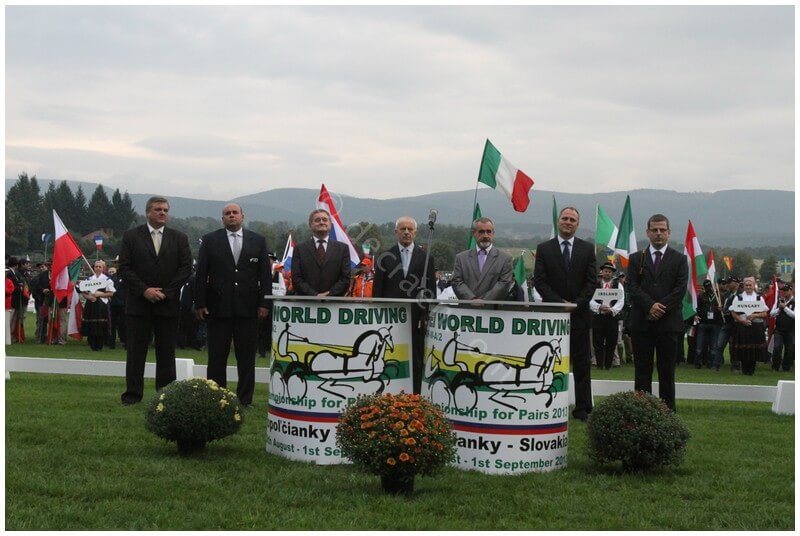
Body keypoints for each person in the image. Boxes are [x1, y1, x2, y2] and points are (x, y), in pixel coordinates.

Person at [195, 202, 271, 407]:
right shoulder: (210, 240)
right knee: (216, 357)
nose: (231, 215)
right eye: (227, 213)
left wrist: (265, 303)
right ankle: (216, 397)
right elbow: (201, 273)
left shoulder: (258, 240)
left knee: (246, 358)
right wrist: (200, 303)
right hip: (218, 308)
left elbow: (265, 275)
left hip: (248, 309)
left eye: (235, 212)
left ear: (242, 216)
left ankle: (245, 399)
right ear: (222, 219)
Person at [119, 196, 192, 406]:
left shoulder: (179, 238)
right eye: (158, 209)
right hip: (139, 304)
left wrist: (167, 292)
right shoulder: (131, 236)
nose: (162, 213)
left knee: (166, 353)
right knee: (136, 353)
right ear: (147, 212)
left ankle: (166, 396)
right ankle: (132, 396)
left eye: (165, 210)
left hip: (167, 305)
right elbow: (125, 268)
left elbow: (185, 268)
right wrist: (144, 290)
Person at [534, 207, 596, 421]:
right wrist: (559, 304)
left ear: (577, 224)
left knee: (582, 365)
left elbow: (591, 282)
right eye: (565, 218)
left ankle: (582, 408)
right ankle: (548, 405)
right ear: (558, 221)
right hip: (553, 317)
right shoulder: (544, 248)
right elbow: (540, 281)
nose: (568, 222)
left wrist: (576, 304)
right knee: (548, 363)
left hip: (579, 316)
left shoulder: (587, 249)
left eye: (572, 219)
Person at [626, 214, 688, 411]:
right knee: (642, 372)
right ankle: (642, 412)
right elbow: (632, 286)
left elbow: (680, 289)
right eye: (655, 230)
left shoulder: (679, 259)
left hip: (668, 324)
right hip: (642, 323)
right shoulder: (636, 259)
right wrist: (649, 306)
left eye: (662, 230)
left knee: (667, 372)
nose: (658, 233)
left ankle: (667, 413)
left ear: (669, 233)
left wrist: (660, 308)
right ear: (648, 233)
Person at [373, 216, 436, 393]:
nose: (406, 232)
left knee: (416, 356)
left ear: (415, 232)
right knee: (391, 355)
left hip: (417, 318)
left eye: (410, 229)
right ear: (396, 232)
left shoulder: (426, 258)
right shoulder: (385, 257)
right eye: (403, 229)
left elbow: (431, 290)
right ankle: (390, 390)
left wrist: (426, 314)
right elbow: (378, 290)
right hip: (391, 317)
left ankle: (415, 393)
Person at [291, 209, 351, 296]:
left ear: (330, 224)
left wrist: (329, 294)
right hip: (307, 301)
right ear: (310, 225)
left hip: (333, 301)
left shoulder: (342, 249)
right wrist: (314, 295)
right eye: (317, 220)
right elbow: (296, 278)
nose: (321, 222)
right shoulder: (299, 249)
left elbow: (345, 278)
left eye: (325, 220)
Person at [451, 217, 513, 301]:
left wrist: (484, 301)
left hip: (492, 308)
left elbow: (504, 284)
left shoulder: (505, 259)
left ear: (493, 233)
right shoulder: (461, 258)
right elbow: (457, 282)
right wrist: (472, 299)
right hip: (467, 307)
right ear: (473, 233)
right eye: (481, 232)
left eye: (488, 231)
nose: (485, 235)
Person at [729, 276, 768, 376]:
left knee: (753, 349)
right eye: (746, 285)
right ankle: (745, 370)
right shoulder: (738, 298)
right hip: (743, 326)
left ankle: (751, 370)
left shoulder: (759, 298)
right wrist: (742, 321)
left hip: (756, 326)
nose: (748, 287)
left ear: (754, 285)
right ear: (744, 286)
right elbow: (733, 313)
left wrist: (755, 315)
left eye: (750, 285)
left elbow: (765, 313)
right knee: (744, 348)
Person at [591, 262, 624, 370]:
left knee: (611, 342)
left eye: (609, 272)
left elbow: (621, 300)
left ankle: (608, 365)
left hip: (612, 317)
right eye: (605, 271)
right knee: (597, 342)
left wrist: (612, 310)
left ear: (612, 273)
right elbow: (590, 299)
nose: (607, 273)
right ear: (602, 272)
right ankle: (599, 365)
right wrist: (598, 306)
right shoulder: (595, 284)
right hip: (598, 316)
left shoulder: (618, 285)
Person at [80, 259, 116, 351]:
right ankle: (92, 344)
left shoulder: (107, 280)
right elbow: (83, 292)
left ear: (103, 268)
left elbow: (111, 293)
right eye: (96, 266)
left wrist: (100, 294)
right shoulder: (89, 280)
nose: (98, 268)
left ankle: (99, 345)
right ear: (94, 268)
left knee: (100, 325)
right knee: (91, 324)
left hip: (102, 305)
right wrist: (89, 297)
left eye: (100, 267)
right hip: (91, 304)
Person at [695, 279, 724, 370]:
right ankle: (698, 362)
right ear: (704, 287)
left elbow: (725, 309)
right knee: (699, 345)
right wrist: (696, 315)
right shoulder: (701, 296)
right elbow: (696, 308)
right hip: (703, 323)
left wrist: (722, 309)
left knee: (713, 346)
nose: (709, 288)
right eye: (707, 287)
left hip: (716, 323)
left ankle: (711, 363)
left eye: (710, 286)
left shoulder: (719, 296)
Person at [770, 283, 794, 371]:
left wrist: (785, 308)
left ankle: (786, 367)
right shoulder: (779, 301)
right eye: (783, 290)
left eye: (786, 290)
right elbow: (771, 313)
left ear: (791, 290)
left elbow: (795, 315)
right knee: (777, 347)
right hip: (779, 329)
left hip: (791, 330)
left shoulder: (795, 301)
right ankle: (775, 366)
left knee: (789, 349)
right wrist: (779, 309)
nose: (784, 292)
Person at [107, 265, 127, 350]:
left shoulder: (127, 276)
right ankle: (112, 342)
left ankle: (125, 342)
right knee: (112, 324)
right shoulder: (112, 277)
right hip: (113, 303)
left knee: (124, 324)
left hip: (124, 304)